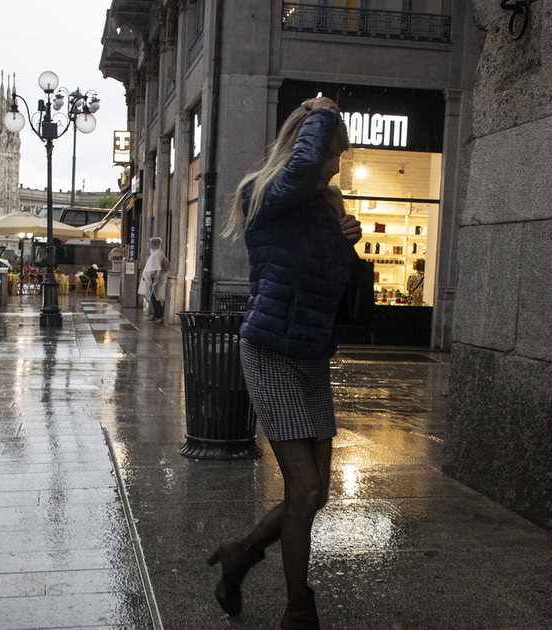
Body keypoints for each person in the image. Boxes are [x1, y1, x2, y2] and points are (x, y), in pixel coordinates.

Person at [208, 96, 362, 629]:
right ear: (306, 145)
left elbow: (329, 285)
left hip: (312, 355)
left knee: (313, 494)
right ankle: (299, 610)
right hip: (270, 349)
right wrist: (321, 110)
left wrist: (347, 245)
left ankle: (241, 554)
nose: (335, 166)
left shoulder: (326, 206)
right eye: (330, 154)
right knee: (306, 489)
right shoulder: (264, 192)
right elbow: (300, 169)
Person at [139, 237, 168, 322]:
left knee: (155, 297)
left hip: (156, 280)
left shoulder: (157, 254)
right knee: (156, 297)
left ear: (153, 244)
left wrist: (152, 275)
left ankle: (158, 315)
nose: (149, 245)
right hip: (156, 279)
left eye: (150, 243)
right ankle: (158, 314)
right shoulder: (157, 253)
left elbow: (155, 267)